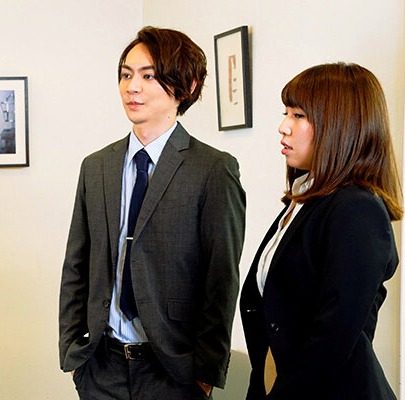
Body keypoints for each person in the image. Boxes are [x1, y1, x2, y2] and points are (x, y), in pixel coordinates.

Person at [59, 26, 245, 399]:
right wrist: (73, 351)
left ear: (187, 86)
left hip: (174, 371)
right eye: (126, 75)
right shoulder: (96, 166)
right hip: (101, 367)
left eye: (148, 76)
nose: (132, 87)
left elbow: (221, 279)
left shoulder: (213, 169)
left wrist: (205, 373)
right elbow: (76, 264)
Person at [240, 63, 402, 400]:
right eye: (286, 113)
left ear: (340, 125)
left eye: (299, 115)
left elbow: (333, 335)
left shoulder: (356, 208)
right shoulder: (305, 199)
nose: (283, 127)